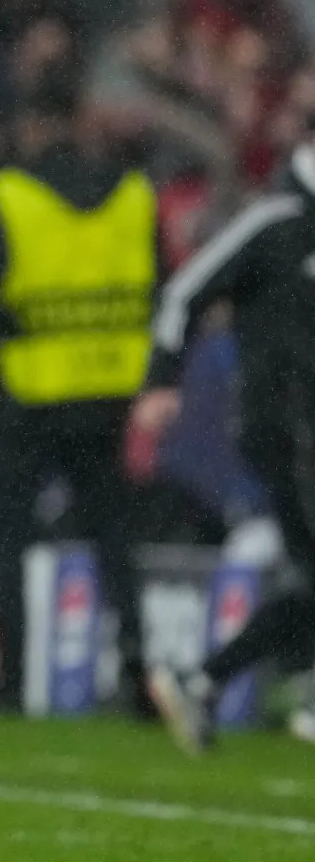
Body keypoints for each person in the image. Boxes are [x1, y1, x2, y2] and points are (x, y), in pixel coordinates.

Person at [0, 85, 159, 717]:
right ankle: (137, 671)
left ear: (30, 123)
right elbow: (160, 285)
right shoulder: (134, 194)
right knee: (114, 536)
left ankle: (10, 682)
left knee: (10, 538)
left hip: (29, 389)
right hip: (110, 390)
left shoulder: (11, 194)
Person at [137, 144, 315, 755]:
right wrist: (162, 379)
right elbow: (185, 291)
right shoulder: (275, 220)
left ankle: (205, 681)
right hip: (283, 426)